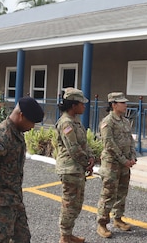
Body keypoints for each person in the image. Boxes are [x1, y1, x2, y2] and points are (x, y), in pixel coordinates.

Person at [0, 96, 44, 243]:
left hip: (14, 200)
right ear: (21, 115)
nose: (32, 127)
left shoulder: (16, 133)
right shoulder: (1, 137)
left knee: (23, 239)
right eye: (31, 122)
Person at [55, 88, 95, 243]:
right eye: (81, 104)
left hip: (77, 167)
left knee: (77, 203)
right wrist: (86, 162)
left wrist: (91, 157)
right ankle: (64, 236)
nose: (84, 107)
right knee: (69, 203)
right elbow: (73, 148)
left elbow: (83, 143)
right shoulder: (66, 123)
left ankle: (69, 233)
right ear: (73, 105)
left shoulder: (75, 121)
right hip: (70, 168)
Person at [96, 92, 137, 238]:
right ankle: (102, 224)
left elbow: (130, 140)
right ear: (114, 105)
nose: (125, 105)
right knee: (108, 194)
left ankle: (118, 218)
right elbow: (109, 145)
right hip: (112, 164)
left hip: (124, 163)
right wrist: (123, 160)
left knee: (122, 192)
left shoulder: (125, 121)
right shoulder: (108, 122)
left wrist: (132, 156)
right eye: (122, 103)